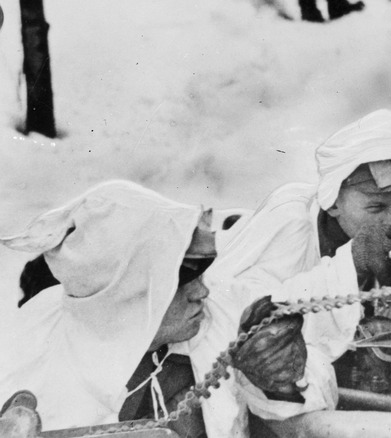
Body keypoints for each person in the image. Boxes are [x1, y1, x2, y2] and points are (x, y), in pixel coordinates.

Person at [0, 180, 307, 437]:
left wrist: (282, 382)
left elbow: (310, 403)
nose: (202, 291)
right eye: (183, 279)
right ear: (129, 289)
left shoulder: (221, 311)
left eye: (201, 273)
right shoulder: (35, 359)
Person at [202, 108, 391, 421]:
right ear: (333, 201)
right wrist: (355, 262)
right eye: (376, 207)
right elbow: (248, 313)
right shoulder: (292, 221)